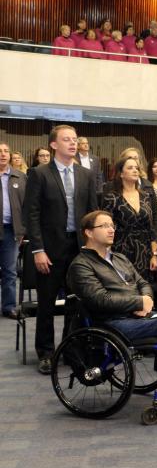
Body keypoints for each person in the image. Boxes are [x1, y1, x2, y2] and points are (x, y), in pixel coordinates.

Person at [68, 210, 157, 405]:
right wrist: (137, 303)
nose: (111, 230)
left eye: (112, 226)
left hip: (136, 315)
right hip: (112, 322)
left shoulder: (119, 258)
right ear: (89, 233)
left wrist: (147, 300)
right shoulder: (81, 265)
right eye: (104, 226)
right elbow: (100, 299)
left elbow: (143, 283)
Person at [24, 125, 98, 374]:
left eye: (75, 140)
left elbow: (92, 214)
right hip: (50, 248)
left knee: (76, 302)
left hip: (79, 248)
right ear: (53, 145)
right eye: (67, 140)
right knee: (46, 303)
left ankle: (71, 348)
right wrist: (37, 250)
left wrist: (92, 248)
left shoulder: (86, 175)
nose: (73, 143)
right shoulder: (39, 173)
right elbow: (31, 214)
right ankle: (46, 352)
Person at [101, 157, 157, 282]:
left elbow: (151, 229)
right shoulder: (112, 198)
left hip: (144, 253)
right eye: (130, 168)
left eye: (136, 168)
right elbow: (104, 229)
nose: (135, 170)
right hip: (120, 253)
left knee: (145, 292)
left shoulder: (145, 196)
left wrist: (154, 255)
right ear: (121, 173)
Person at [0, 143, 26, 318]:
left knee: (10, 270)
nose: (3, 154)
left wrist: (23, 229)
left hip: (11, 230)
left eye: (6, 151)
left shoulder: (20, 177)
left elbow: (27, 205)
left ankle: (9, 306)